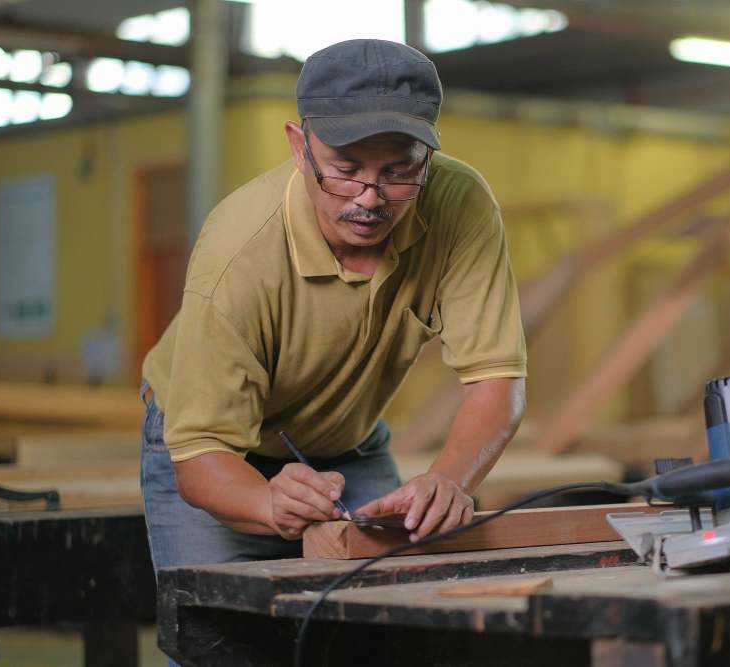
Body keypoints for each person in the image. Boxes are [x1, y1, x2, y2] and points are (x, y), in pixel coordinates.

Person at [139, 39, 527, 573]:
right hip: (217, 449)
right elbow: (202, 451)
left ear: (428, 159)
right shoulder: (237, 253)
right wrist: (266, 501)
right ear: (300, 148)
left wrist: (448, 480)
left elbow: (495, 381)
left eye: (399, 171)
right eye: (345, 168)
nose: (370, 198)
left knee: (390, 612)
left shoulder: (460, 206)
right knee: (215, 637)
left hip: (349, 440)